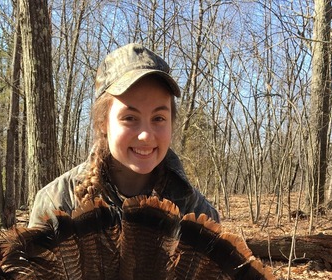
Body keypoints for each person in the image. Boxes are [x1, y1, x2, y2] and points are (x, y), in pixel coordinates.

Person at [28, 43, 219, 227]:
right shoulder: (57, 203)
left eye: (159, 118)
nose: (145, 135)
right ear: (103, 123)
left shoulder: (198, 214)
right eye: (130, 118)